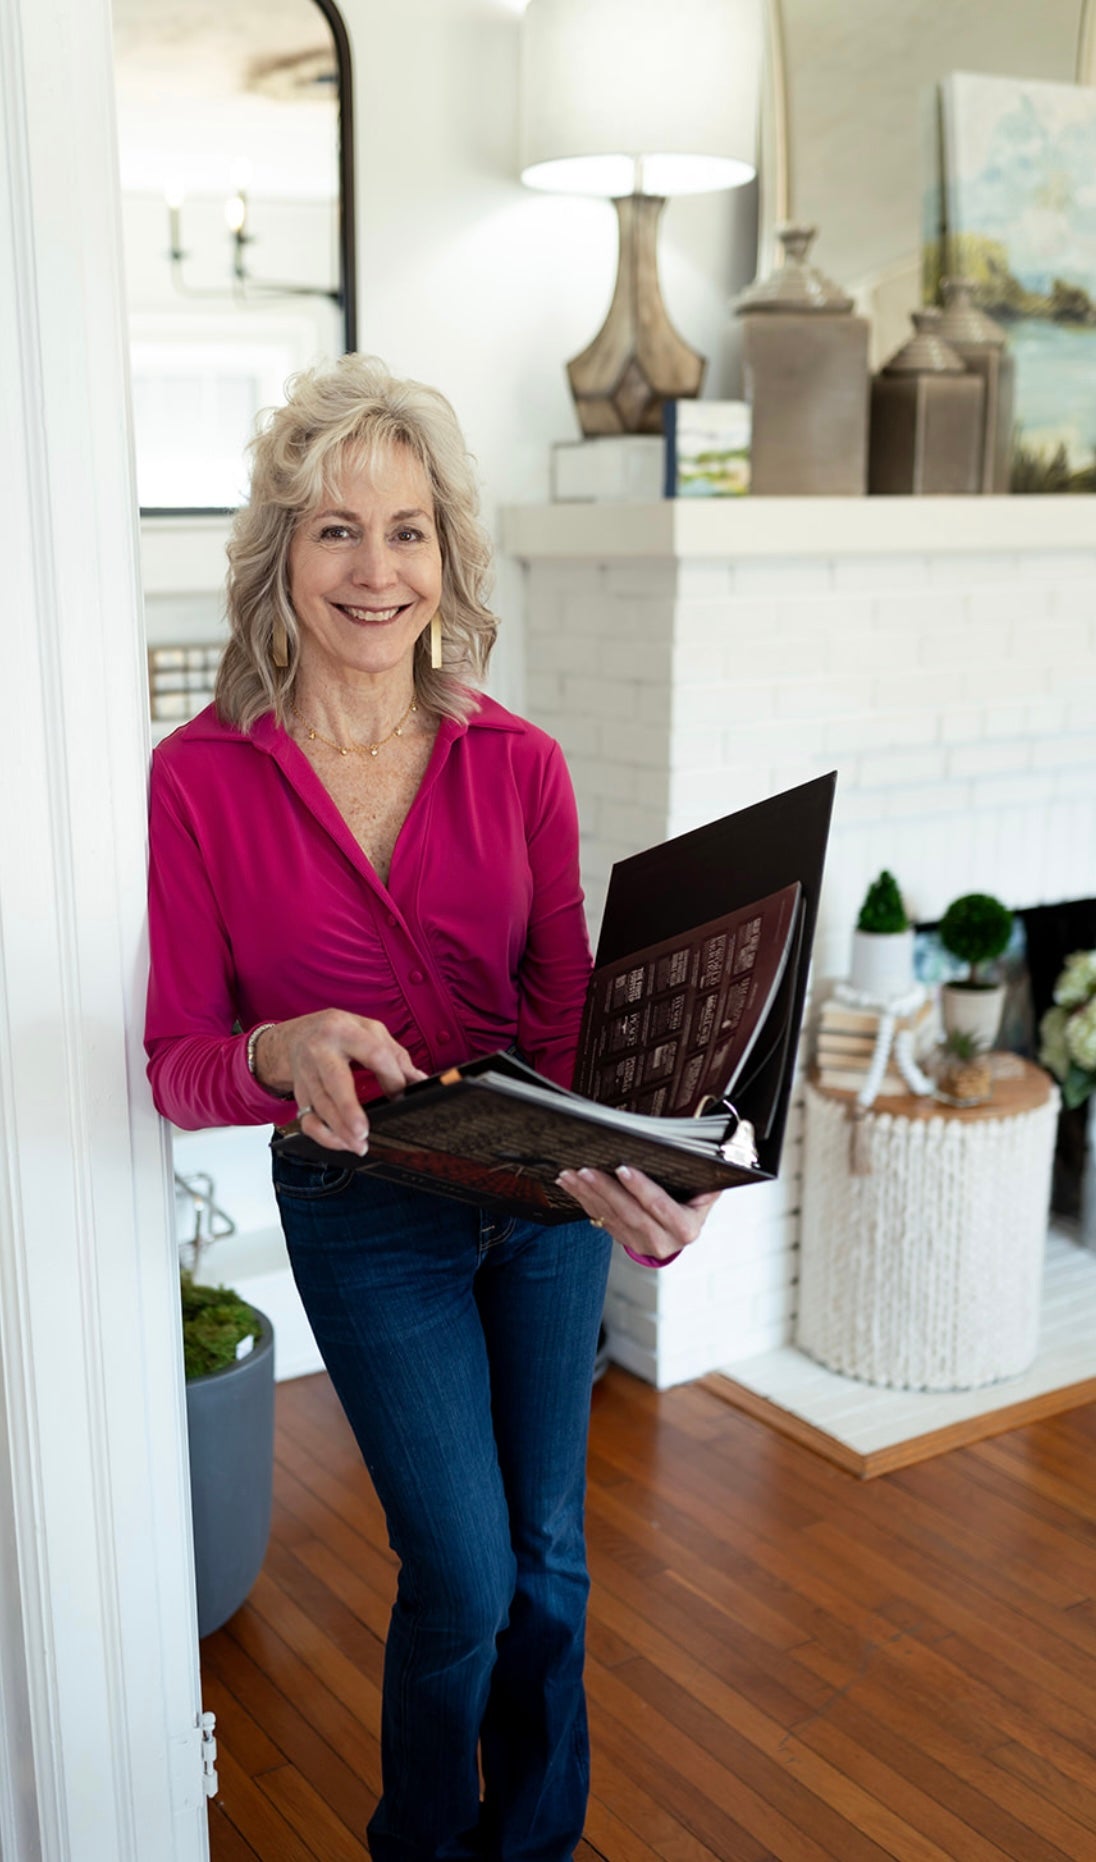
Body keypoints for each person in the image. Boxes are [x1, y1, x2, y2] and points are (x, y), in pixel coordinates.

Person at [144, 354, 718, 1861]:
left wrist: (635, 1167)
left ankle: (534, 1837)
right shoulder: (197, 782)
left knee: (546, 1556)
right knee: (461, 1571)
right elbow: (176, 1057)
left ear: (451, 556)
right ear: (281, 554)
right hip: (366, 1210)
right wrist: (276, 1048)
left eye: (408, 530)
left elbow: (566, 1024)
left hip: (539, 1207)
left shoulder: (518, 763)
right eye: (337, 529)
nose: (376, 569)